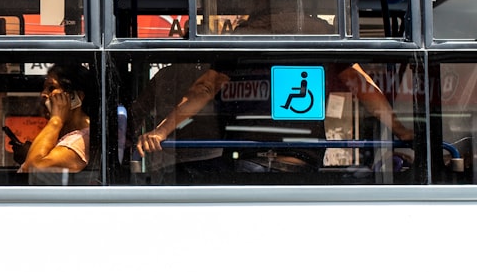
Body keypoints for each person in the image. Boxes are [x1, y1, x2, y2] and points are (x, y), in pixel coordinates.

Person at [135, 61, 414, 174]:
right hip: (301, 162)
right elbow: (363, 86)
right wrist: (401, 130)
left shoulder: (241, 43)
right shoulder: (322, 40)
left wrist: (161, 132)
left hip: (246, 161)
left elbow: (203, 89)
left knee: (181, 176)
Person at [18, 63, 96, 176]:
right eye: (44, 89)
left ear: (75, 96)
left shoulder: (82, 140)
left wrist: (56, 120)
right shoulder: (68, 135)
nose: (43, 94)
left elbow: (32, 171)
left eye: (52, 88)